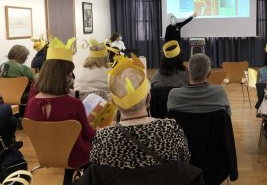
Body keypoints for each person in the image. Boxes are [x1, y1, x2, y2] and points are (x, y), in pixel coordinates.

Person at [90, 56, 190, 169]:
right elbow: (185, 162)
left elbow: (96, 172)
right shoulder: (171, 129)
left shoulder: (103, 138)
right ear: (148, 98)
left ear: (114, 103)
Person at [25, 37, 96, 185]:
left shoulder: (31, 104)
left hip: (46, 155)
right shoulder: (74, 104)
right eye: (70, 75)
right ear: (63, 77)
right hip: (76, 156)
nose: (71, 79)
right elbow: (90, 136)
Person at [0, 45, 34, 117]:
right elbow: (34, 80)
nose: (26, 58)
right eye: (26, 56)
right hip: (22, 97)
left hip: (4, 97)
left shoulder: (2, 66)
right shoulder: (23, 68)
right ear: (22, 56)